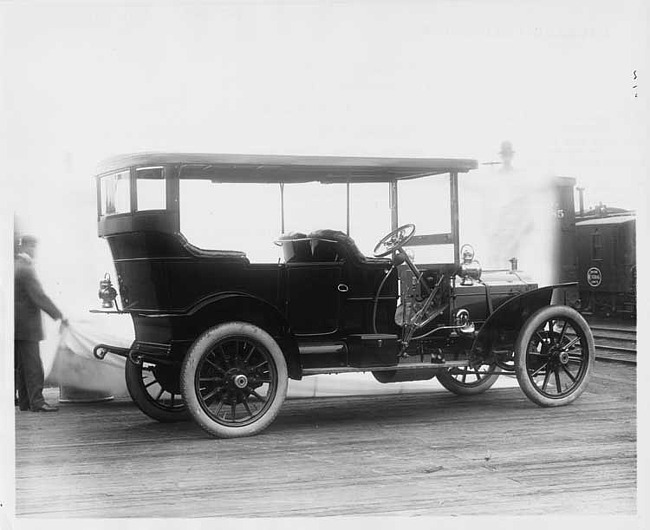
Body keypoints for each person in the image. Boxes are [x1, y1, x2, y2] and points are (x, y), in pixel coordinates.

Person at [14, 235, 68, 412]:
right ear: (28, 247)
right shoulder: (26, 269)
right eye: (33, 247)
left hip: (17, 326)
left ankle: (25, 402)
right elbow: (39, 297)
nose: (35, 251)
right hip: (27, 327)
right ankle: (37, 402)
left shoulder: (16, 266)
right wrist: (59, 315)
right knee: (33, 366)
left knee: (22, 366)